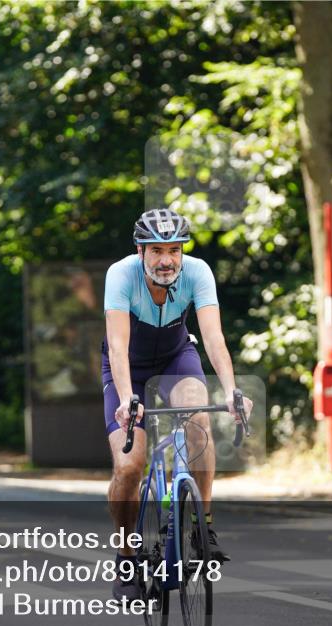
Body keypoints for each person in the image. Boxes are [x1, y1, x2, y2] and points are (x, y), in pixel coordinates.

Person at [102, 208, 252, 600]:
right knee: (129, 465)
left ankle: (204, 526)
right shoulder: (120, 275)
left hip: (175, 357)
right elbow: (117, 345)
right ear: (140, 251)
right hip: (127, 369)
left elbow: (214, 337)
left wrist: (232, 390)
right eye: (156, 251)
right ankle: (127, 557)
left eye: (174, 250)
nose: (166, 259)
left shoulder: (199, 273)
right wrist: (125, 399)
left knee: (199, 416)